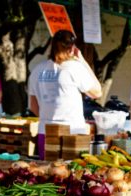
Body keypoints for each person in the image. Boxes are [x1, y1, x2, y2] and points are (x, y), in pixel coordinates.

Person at [28, 30, 102, 159]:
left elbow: (33, 106)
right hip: (72, 132)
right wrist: (83, 62)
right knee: (71, 174)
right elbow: (97, 92)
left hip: (45, 131)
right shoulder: (75, 68)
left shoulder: (37, 70)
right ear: (72, 48)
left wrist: (50, 117)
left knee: (45, 173)